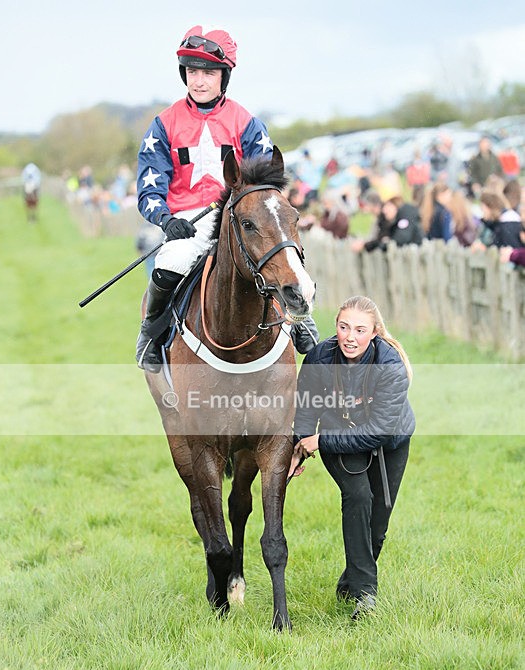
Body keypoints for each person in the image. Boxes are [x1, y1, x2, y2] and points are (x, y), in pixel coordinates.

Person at [134, 26, 319, 369]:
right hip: (188, 222)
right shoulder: (163, 124)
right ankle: (151, 334)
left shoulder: (246, 122)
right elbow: (149, 189)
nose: (199, 80)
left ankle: (300, 317)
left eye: (208, 72)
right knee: (168, 265)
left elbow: (269, 184)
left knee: (277, 256)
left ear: (224, 76)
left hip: (238, 215)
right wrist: (167, 220)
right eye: (192, 72)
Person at [289, 296, 415, 619]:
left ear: (373, 333)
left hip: (389, 441)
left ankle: (349, 584)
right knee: (358, 497)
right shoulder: (319, 357)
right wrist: (299, 449)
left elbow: (378, 432)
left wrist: (321, 440)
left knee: (377, 525)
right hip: (337, 432)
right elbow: (305, 410)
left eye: (360, 330)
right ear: (336, 328)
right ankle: (365, 597)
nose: (350, 336)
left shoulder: (389, 364)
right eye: (344, 327)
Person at [351, 191, 423, 253]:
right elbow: (383, 239)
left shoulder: (406, 214)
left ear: (393, 204)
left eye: (387, 206)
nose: (384, 210)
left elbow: (400, 238)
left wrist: (385, 243)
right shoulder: (394, 222)